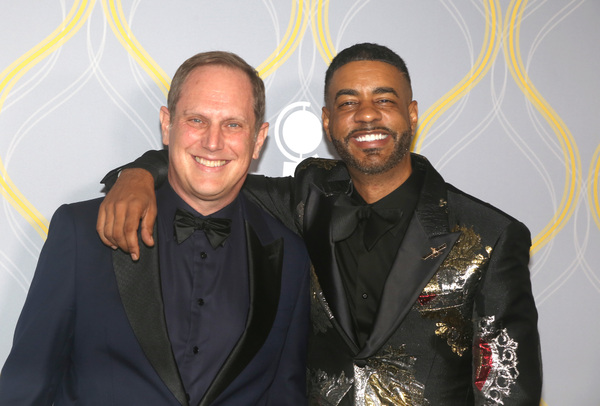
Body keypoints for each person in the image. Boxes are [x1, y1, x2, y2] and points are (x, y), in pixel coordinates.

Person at [97, 43, 542, 405]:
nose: (366, 115)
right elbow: (214, 167)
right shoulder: (306, 198)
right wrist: (137, 174)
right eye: (348, 103)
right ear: (329, 122)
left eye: (384, 100)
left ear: (412, 113)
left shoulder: (490, 234)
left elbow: (504, 384)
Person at [0, 51, 310, 406]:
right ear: (167, 124)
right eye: (196, 120)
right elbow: (27, 384)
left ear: (258, 139)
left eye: (233, 125)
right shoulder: (80, 233)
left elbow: (286, 394)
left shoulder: (289, 256)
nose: (212, 142)